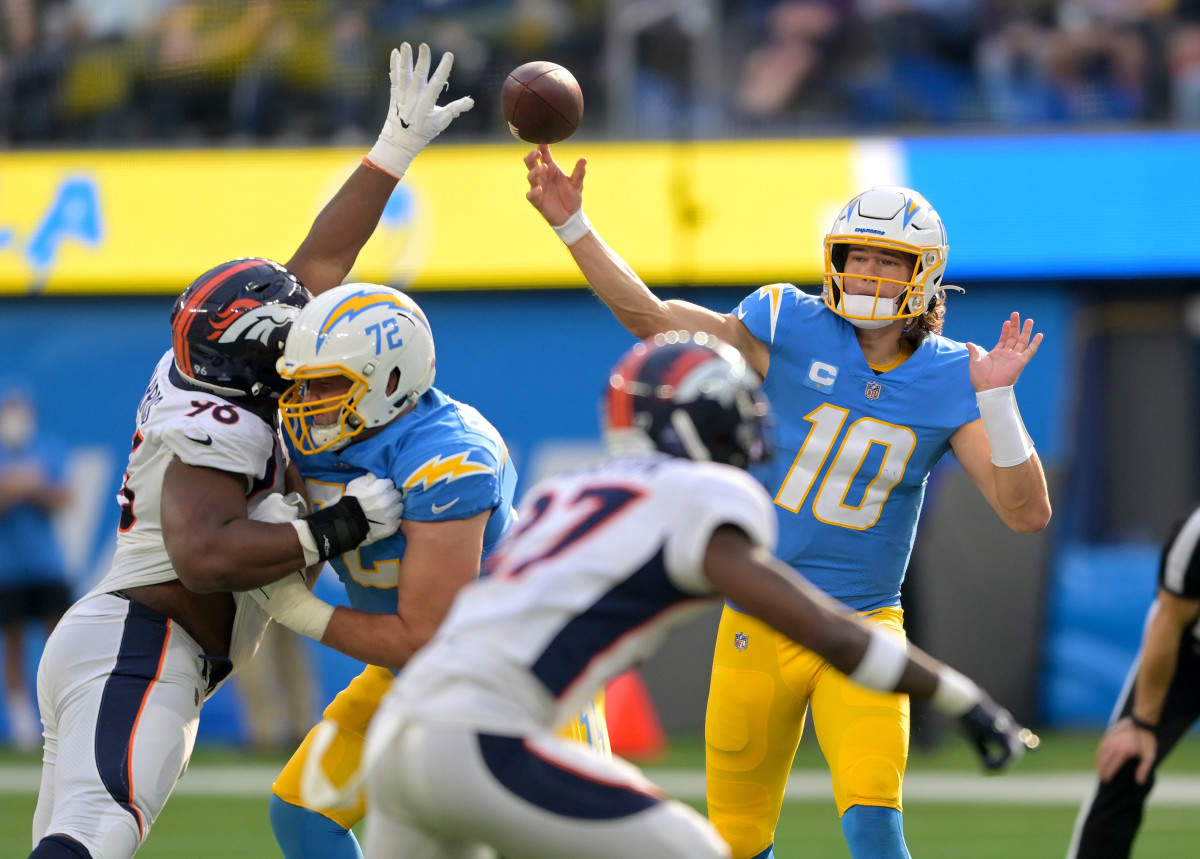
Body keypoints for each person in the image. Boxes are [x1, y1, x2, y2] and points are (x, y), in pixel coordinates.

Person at [523, 146, 1053, 859]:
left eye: (886, 261)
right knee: (737, 843)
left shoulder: (957, 375)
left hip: (865, 622)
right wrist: (573, 225)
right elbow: (655, 322)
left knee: (873, 823)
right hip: (759, 620)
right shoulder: (787, 323)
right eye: (856, 256)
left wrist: (997, 402)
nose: (865, 272)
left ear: (922, 275)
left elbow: (1026, 513)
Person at [354, 331, 1038, 859]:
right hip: (478, 736)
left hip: (399, 734)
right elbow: (828, 629)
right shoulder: (699, 494)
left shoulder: (564, 491)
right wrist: (960, 697)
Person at [28, 41, 469, 859]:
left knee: (75, 836)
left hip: (127, 643)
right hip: (144, 644)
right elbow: (203, 552)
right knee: (96, 836)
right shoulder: (216, 419)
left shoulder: (219, 360)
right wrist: (331, 531)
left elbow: (321, 261)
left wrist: (390, 153)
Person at [254, 282, 610, 859]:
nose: (306, 399)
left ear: (390, 379)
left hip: (520, 668)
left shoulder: (448, 455)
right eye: (303, 381)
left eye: (328, 382)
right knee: (303, 813)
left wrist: (297, 610)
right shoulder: (312, 435)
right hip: (414, 671)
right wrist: (294, 538)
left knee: (567, 844)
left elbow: (424, 637)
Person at [1067, 503, 1200, 859]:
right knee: (1125, 762)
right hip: (1189, 651)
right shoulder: (1196, 533)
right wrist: (1141, 722)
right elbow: (1169, 620)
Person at [0, 385, 72, 752]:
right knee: (12, 644)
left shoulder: (49, 447)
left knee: (57, 641)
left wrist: (26, 486)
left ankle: (61, 714)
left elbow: (63, 497)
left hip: (47, 566)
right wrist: (22, 484)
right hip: (7, 569)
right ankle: (22, 725)